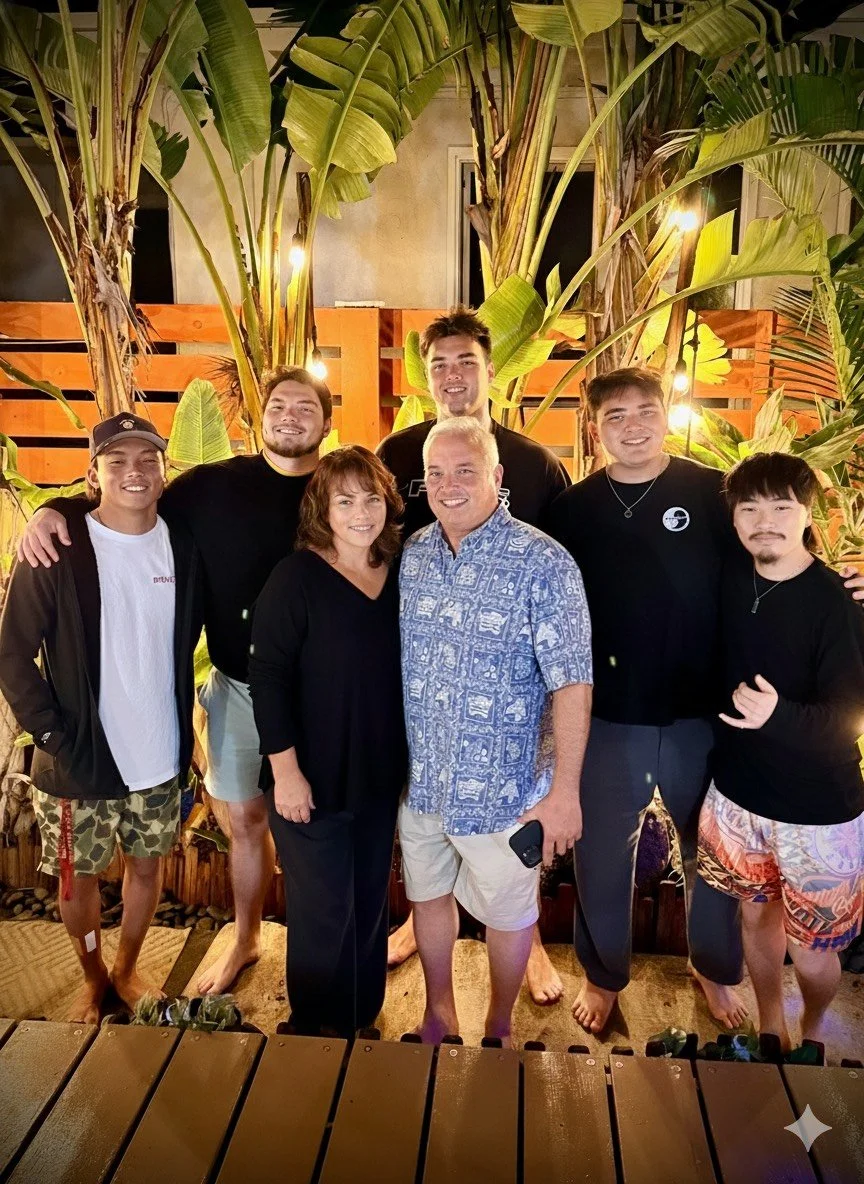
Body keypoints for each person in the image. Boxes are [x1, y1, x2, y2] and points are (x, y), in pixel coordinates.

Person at [547, 368, 864, 1036]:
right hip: (610, 715)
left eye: (646, 411)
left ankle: (714, 968)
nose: (632, 426)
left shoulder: (712, 494)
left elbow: (774, 553)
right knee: (602, 855)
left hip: (706, 716)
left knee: (714, 863)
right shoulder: (573, 510)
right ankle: (603, 977)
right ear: (594, 427)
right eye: (615, 416)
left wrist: (844, 583)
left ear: (667, 415)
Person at [15, 368, 333, 994]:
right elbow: (122, 498)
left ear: (327, 421)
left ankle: (322, 949)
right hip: (237, 688)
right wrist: (50, 510)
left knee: (318, 823)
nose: (290, 415)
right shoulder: (209, 489)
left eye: (306, 405)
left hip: (319, 695)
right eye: (277, 404)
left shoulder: (343, 486)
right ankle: (238, 939)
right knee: (243, 820)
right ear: (256, 419)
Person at [378, 306, 571, 1004]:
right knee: (426, 856)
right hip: (426, 703)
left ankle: (532, 945)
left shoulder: (537, 464)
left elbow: (569, 578)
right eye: (439, 365)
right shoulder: (397, 455)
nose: (454, 375)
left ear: (492, 371)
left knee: (511, 869)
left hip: (511, 710)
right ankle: (420, 930)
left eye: (467, 362)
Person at [399, 417, 592, 1046]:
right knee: (428, 901)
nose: (449, 485)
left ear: (497, 476)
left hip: (506, 792)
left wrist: (565, 792)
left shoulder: (545, 561)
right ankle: (438, 1011)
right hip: (421, 785)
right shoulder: (410, 554)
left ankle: (500, 1024)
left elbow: (572, 683)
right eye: (436, 473)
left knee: (510, 916)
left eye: (465, 470)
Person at [0, 414, 199, 1023]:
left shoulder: (183, 545)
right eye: (117, 461)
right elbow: (11, 652)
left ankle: (128, 969)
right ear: (94, 473)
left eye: (147, 460)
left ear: (165, 473)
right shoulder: (55, 546)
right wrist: (55, 735)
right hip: (78, 762)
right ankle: (92, 976)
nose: (134, 472)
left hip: (160, 757)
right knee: (75, 883)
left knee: (146, 870)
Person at [698, 453, 864, 1050]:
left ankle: (814, 1024)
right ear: (735, 518)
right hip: (739, 796)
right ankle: (770, 1019)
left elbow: (849, 720)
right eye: (750, 508)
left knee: (814, 951)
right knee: (754, 917)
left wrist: (778, 715)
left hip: (817, 813)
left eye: (781, 507)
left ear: (807, 513)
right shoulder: (731, 576)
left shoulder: (837, 601)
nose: (764, 521)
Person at [248, 447, 406, 1036]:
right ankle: (314, 1030)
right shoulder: (296, 578)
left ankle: (361, 1018)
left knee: (368, 906)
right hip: (309, 776)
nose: (361, 511)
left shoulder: (399, 572)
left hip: (375, 773)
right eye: (346, 500)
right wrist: (285, 773)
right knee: (324, 912)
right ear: (323, 508)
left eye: (371, 498)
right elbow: (268, 678)